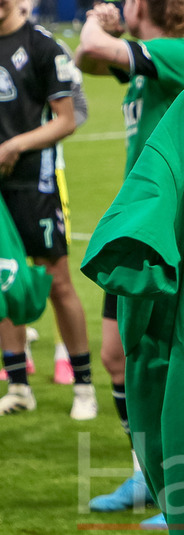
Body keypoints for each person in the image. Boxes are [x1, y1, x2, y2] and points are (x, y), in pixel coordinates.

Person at [76, 0, 184, 518]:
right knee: (117, 354)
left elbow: (91, 45)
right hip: (137, 226)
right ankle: (147, 473)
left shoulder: (180, 52)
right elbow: (86, 60)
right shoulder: (147, 60)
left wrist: (97, 23)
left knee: (171, 361)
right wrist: (105, 31)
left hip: (170, 233)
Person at [0, 0, 97, 418]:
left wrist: (14, 146)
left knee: (57, 280)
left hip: (34, 183)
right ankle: (19, 386)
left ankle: (84, 387)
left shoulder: (42, 46)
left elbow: (67, 118)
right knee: (4, 279)